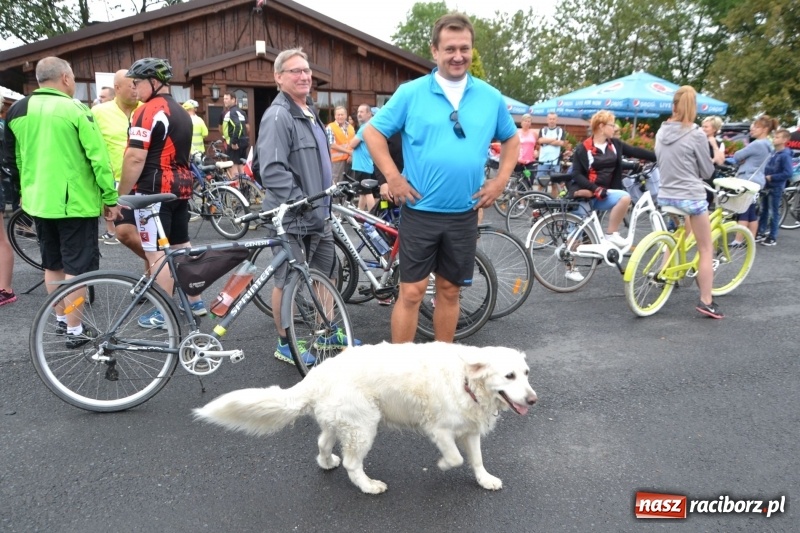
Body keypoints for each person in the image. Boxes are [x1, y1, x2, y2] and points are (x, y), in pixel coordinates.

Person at [364, 12, 519, 343]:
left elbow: (511, 138)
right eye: (450, 49)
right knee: (412, 291)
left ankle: (442, 366)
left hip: (463, 213)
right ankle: (401, 371)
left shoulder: (490, 97)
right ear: (434, 51)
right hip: (420, 212)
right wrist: (393, 177)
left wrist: (500, 181)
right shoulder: (411, 93)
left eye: (464, 48)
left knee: (449, 291)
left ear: (471, 50)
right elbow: (373, 131)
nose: (458, 56)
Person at [2, 56, 120, 343]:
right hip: (74, 202)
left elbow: (14, 159)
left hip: (37, 201)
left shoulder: (17, 109)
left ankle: (58, 319)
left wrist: (23, 191)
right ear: (66, 78)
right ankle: (75, 329)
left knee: (52, 264)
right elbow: (98, 158)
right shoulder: (75, 109)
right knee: (77, 270)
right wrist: (110, 197)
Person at [257, 47, 361, 365]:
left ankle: (326, 331)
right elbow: (272, 170)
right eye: (295, 71)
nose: (304, 76)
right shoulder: (278, 116)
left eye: (306, 70)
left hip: (319, 214)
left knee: (324, 274)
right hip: (293, 217)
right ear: (278, 78)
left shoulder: (308, 110)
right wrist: (301, 202)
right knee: (287, 281)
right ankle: (285, 343)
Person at [117, 57, 205, 327]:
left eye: (137, 82)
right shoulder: (181, 111)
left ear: (153, 82)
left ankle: (162, 311)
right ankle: (195, 300)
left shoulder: (148, 110)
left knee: (157, 253)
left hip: (153, 190)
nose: (134, 88)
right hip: (181, 188)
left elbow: (134, 157)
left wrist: (119, 195)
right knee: (181, 247)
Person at [655, 85, 720, 318]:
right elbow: (706, 170)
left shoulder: (660, 132)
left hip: (665, 193)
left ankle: (666, 270)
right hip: (691, 196)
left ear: (673, 105)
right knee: (705, 248)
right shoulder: (696, 134)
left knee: (680, 233)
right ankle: (706, 300)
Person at [568, 110, 656, 278]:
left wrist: (660, 156)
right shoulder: (583, 148)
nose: (615, 127)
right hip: (584, 192)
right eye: (612, 124)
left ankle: (611, 234)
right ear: (601, 127)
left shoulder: (615, 145)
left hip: (604, 193)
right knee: (576, 232)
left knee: (624, 197)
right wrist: (594, 189)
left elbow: (636, 152)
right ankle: (570, 268)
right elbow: (576, 174)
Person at [92, 69, 140, 247]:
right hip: (117, 182)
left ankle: (154, 270)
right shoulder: (98, 112)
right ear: (117, 88)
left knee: (150, 236)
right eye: (132, 85)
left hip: (146, 180)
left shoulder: (145, 108)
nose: (136, 89)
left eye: (138, 85)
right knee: (124, 233)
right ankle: (158, 260)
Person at [729, 115, 777, 242]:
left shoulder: (757, 144)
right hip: (758, 180)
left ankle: (738, 240)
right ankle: (750, 240)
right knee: (751, 213)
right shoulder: (769, 145)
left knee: (743, 211)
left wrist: (743, 159)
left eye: (756, 127)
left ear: (765, 129)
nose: (753, 129)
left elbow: (737, 156)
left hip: (747, 179)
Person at [757, 129, 793, 246]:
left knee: (774, 212)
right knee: (764, 210)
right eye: (774, 137)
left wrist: (772, 177)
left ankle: (772, 236)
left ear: (784, 140)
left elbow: (788, 173)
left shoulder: (785, 156)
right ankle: (761, 232)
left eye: (777, 137)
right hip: (767, 186)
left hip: (776, 187)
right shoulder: (773, 153)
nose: (774, 139)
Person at [347, 104, 377, 211]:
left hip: (362, 165)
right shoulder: (371, 125)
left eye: (362, 112)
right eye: (358, 112)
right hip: (366, 164)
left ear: (369, 114)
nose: (359, 114)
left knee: (367, 193)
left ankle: (373, 217)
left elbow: (352, 144)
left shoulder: (364, 128)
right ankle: (360, 213)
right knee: (363, 192)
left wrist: (351, 142)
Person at [537, 112, 566, 196]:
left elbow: (561, 143)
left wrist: (546, 141)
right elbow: (540, 141)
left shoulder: (560, 130)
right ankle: (538, 200)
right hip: (543, 160)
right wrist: (554, 139)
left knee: (554, 184)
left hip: (555, 161)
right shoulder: (543, 130)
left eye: (553, 119)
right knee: (540, 182)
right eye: (550, 119)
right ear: (547, 120)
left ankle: (553, 202)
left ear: (556, 120)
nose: (552, 121)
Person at [221, 92, 248, 176]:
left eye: (227, 99)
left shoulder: (231, 112)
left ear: (233, 100)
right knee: (241, 169)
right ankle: (244, 188)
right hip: (243, 142)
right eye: (224, 99)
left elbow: (238, 126)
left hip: (235, 145)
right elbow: (246, 127)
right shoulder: (242, 112)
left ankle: (237, 188)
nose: (224, 101)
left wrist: (234, 142)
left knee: (234, 171)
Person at [326, 105, 354, 183]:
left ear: (346, 115)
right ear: (335, 116)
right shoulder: (330, 127)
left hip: (350, 160)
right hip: (337, 162)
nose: (340, 117)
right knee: (336, 183)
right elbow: (332, 145)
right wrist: (349, 152)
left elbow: (353, 143)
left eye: (342, 114)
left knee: (350, 183)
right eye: (338, 115)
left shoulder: (350, 127)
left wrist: (351, 155)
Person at [516, 113, 537, 180]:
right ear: (521, 122)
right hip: (518, 161)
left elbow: (538, 145)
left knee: (529, 180)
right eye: (525, 121)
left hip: (530, 161)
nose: (527, 123)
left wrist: (537, 151)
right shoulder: (516, 132)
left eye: (529, 121)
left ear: (530, 123)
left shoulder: (534, 133)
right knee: (518, 181)